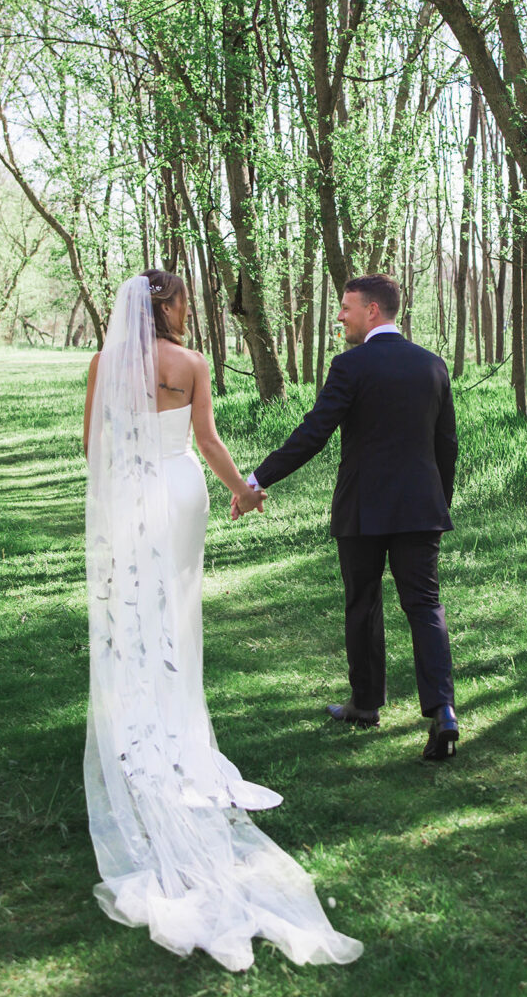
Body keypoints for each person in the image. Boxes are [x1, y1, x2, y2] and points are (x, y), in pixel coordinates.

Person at [82, 271, 363, 971]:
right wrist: (243, 489)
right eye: (181, 301)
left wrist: (125, 482)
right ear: (170, 307)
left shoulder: (103, 363)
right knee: (175, 610)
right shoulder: (190, 365)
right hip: (179, 491)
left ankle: (135, 717)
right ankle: (174, 719)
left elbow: (93, 446)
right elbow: (205, 441)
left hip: (128, 491)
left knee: (131, 609)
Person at [234, 274, 459, 760]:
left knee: (363, 602)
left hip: (364, 506)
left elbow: (313, 433)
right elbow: (447, 445)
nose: (340, 316)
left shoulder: (351, 366)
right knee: (424, 605)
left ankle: (365, 704)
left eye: (346, 307)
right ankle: (442, 710)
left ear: (373, 311)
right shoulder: (433, 366)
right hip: (422, 507)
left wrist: (256, 481)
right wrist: (440, 500)